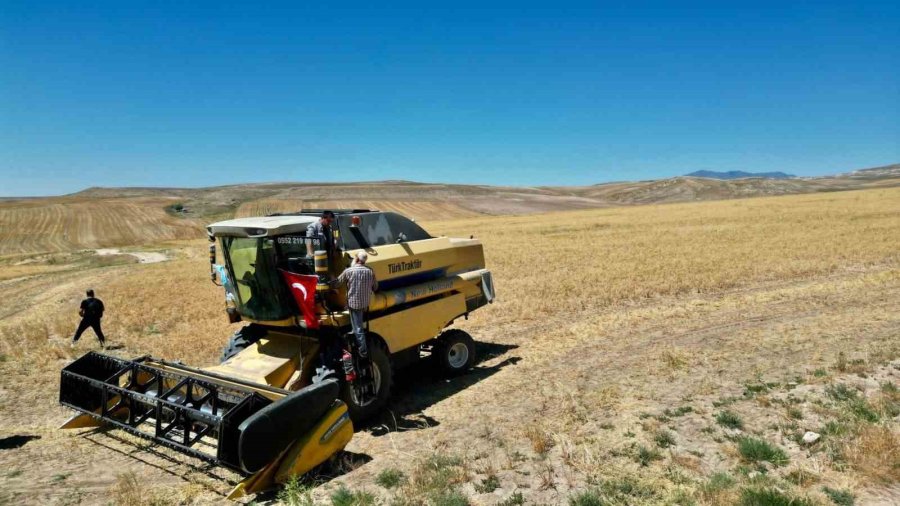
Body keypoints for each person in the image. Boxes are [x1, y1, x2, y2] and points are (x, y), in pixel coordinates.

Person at [332, 252, 378, 357]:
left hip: (354, 303)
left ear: (356, 259)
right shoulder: (370, 271)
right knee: (358, 325)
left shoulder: (349, 271)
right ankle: (355, 334)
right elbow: (375, 287)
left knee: (358, 328)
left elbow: (337, 283)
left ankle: (363, 351)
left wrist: (330, 279)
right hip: (365, 303)